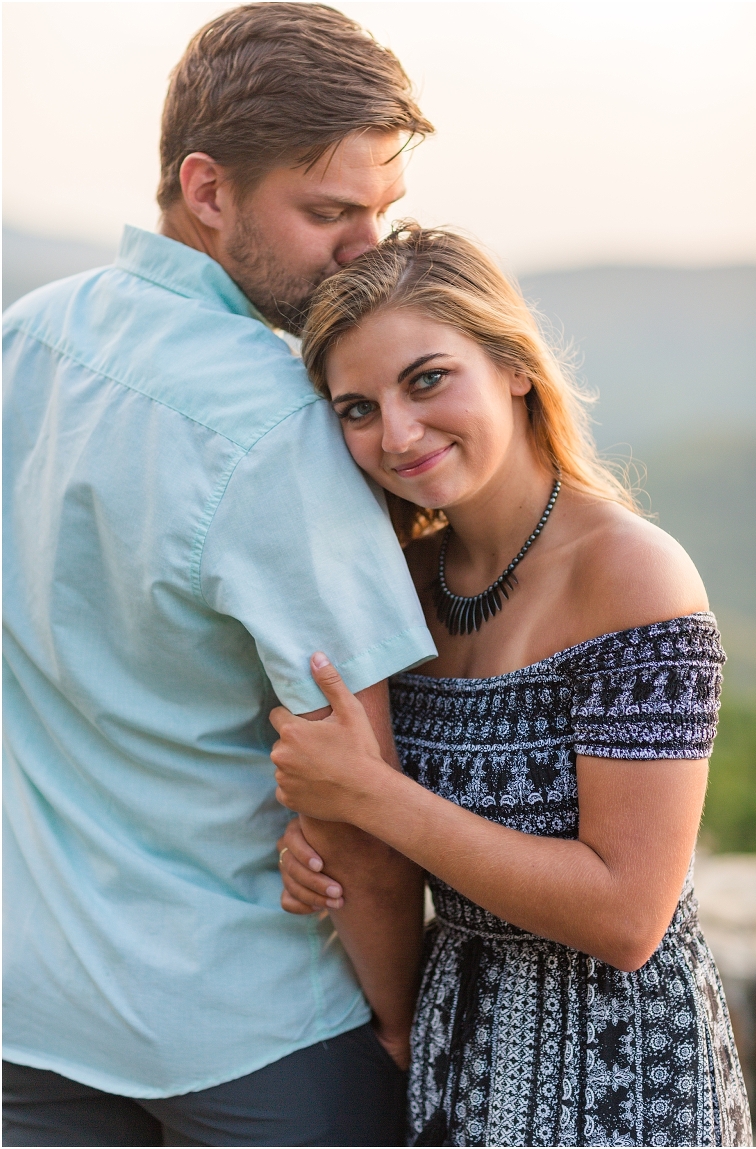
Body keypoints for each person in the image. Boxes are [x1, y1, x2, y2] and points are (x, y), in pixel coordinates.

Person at [2, 7, 438, 1146]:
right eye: (329, 213)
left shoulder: (26, 339)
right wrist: (395, 1024)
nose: (365, 251)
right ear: (207, 189)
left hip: (33, 1005)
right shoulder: (278, 416)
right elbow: (356, 788)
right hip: (254, 1021)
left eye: (381, 214)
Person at [270, 225, 753, 1148]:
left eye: (426, 379)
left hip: (621, 1082)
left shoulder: (635, 576)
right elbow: (407, 844)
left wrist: (373, 797)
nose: (397, 433)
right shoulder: (405, 583)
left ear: (514, 365)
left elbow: (626, 915)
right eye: (356, 408)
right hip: (454, 1053)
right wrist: (323, 849)